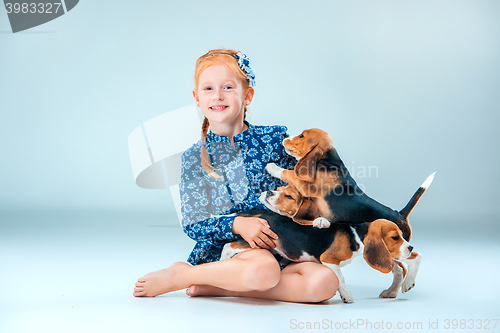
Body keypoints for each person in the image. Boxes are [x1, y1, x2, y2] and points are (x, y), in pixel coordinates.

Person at [133, 49, 339, 303]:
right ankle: (183, 275)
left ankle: (220, 288)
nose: (217, 95)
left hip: (282, 246)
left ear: (247, 95)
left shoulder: (274, 139)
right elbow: (193, 223)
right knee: (263, 269)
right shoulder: (193, 158)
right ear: (197, 98)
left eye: (228, 87)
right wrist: (238, 223)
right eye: (208, 89)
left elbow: (301, 186)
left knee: (325, 282)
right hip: (233, 250)